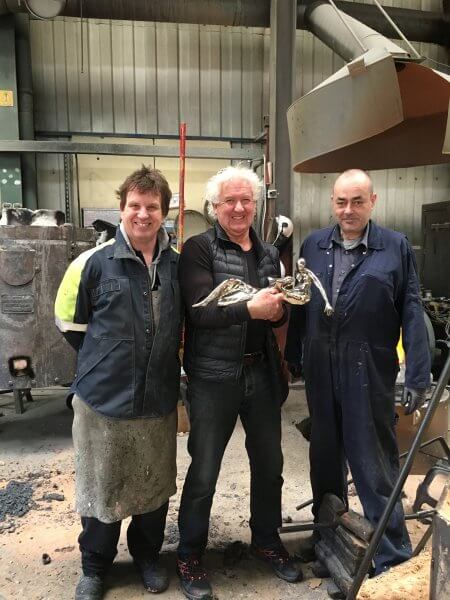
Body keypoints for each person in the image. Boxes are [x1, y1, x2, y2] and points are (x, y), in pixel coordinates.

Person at [285, 169, 430, 574]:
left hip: (369, 367)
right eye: (341, 202)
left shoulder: (395, 247)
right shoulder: (314, 244)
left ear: (373, 202)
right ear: (332, 203)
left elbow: (413, 311)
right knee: (325, 458)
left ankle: (391, 556)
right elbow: (300, 299)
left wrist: (418, 374)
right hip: (319, 365)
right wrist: (294, 354)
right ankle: (328, 541)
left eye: (357, 202)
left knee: (373, 461)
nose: (348, 211)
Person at [55, 166, 182, 600]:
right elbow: (69, 323)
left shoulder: (177, 266)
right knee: (101, 485)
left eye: (152, 206)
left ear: (164, 212)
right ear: (122, 208)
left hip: (158, 398)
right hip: (103, 399)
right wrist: (106, 361)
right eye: (134, 206)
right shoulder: (92, 263)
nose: (142, 214)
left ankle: (147, 556)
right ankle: (94, 566)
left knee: (153, 486)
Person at [176, 166, 303, 600]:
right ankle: (189, 554)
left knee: (270, 467)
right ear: (214, 206)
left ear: (255, 205)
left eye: (246, 200)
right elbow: (198, 312)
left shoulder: (268, 253)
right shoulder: (198, 250)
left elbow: (280, 314)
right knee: (205, 470)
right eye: (229, 200)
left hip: (261, 373)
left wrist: (279, 311)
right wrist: (252, 308)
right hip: (213, 379)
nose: (238, 207)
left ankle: (266, 541)